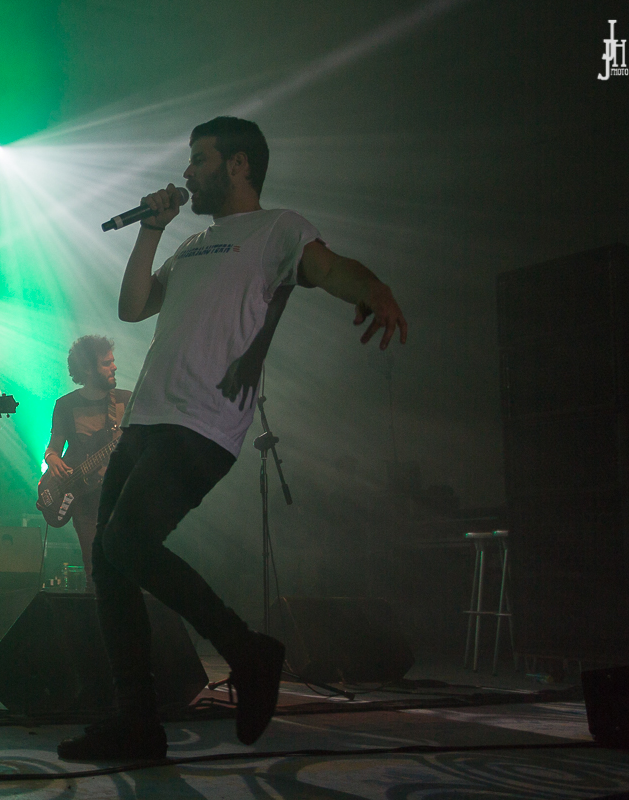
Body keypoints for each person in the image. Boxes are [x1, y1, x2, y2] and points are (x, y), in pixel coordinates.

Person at [58, 116, 408, 761]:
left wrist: (375, 287)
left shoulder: (279, 228)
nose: (187, 172)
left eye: (200, 159)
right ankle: (138, 724)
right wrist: (152, 229)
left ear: (239, 165)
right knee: (110, 563)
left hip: (203, 420)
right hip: (146, 419)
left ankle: (247, 650)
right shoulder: (194, 244)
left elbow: (333, 270)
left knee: (127, 541)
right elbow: (133, 308)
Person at [43, 336, 130, 593]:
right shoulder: (65, 405)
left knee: (127, 564)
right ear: (88, 369)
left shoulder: (127, 400)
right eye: (106, 363)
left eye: (113, 361)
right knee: (94, 569)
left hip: (121, 492)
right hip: (84, 497)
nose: (114, 367)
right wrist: (52, 459)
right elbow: (53, 448)